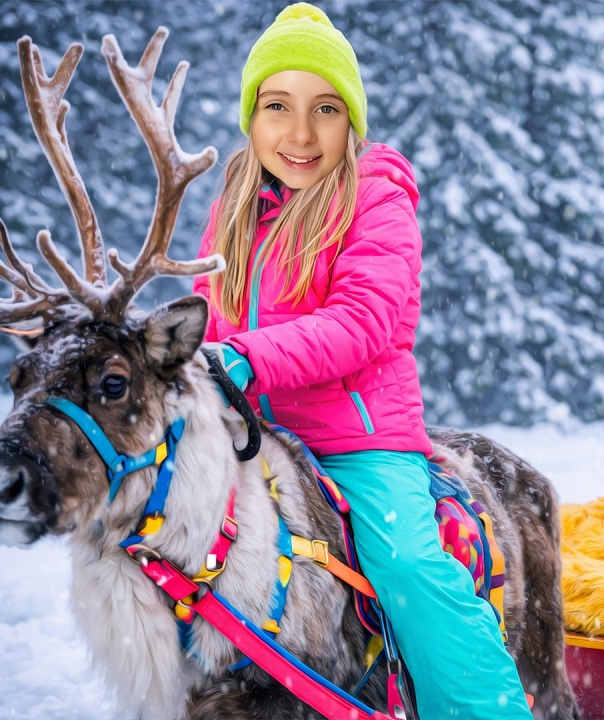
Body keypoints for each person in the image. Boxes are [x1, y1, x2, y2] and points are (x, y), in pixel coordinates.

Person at [193, 4, 532, 717]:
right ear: (251, 119)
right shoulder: (232, 211)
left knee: (408, 567)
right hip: (250, 442)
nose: (300, 133)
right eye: (277, 106)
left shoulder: (375, 198)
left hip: (356, 445)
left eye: (326, 108)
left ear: (352, 123)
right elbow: (208, 320)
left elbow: (363, 321)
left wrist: (247, 358)